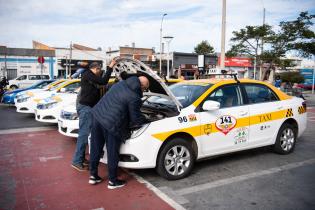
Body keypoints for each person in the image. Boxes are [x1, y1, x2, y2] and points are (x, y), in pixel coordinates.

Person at [89, 76, 149, 189]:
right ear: (141, 86)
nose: (144, 91)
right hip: (112, 123)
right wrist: (145, 120)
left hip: (97, 116)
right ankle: (112, 181)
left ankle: (93, 176)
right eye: (145, 89)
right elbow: (136, 119)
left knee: (95, 148)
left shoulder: (119, 84)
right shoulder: (134, 97)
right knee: (112, 152)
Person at [71, 60, 116, 171]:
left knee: (86, 134)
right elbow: (103, 81)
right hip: (86, 109)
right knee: (83, 135)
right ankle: (77, 161)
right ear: (96, 68)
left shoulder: (89, 76)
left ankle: (80, 159)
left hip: (87, 108)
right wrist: (110, 67)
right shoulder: (88, 74)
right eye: (99, 70)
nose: (100, 73)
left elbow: (100, 88)